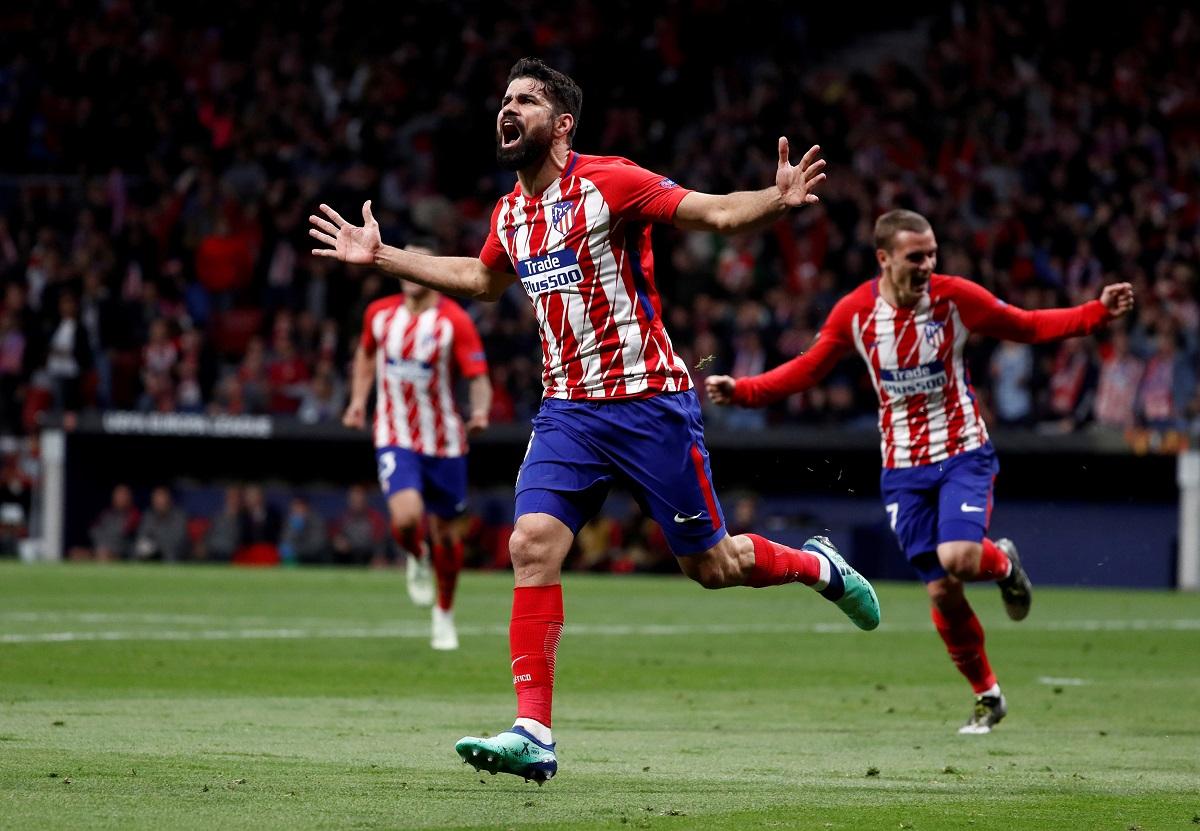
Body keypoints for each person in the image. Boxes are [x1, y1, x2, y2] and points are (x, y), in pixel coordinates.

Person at [311, 57, 879, 783]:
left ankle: (817, 565)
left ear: (562, 125)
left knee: (712, 567)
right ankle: (533, 731)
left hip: (649, 404)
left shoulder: (611, 181)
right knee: (530, 544)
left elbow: (713, 212)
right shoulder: (510, 213)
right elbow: (483, 280)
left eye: (525, 100)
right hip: (568, 413)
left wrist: (776, 198)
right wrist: (384, 256)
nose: (507, 108)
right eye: (504, 99)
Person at [706, 209, 1135, 734]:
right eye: (916, 256)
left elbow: (1025, 325)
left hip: (962, 452)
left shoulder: (955, 299)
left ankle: (1002, 565)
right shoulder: (856, 313)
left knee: (958, 557)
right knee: (941, 592)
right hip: (903, 469)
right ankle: (988, 695)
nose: (928, 264)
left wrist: (1096, 312)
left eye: (932, 253)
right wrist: (744, 391)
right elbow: (807, 369)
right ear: (884, 258)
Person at [342, 244, 493, 651]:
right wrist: (357, 401)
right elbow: (365, 356)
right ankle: (414, 553)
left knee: (447, 535)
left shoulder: (454, 320)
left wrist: (480, 411)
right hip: (395, 435)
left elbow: (478, 374)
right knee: (407, 519)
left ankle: (444, 612)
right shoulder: (379, 314)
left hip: (444, 441)